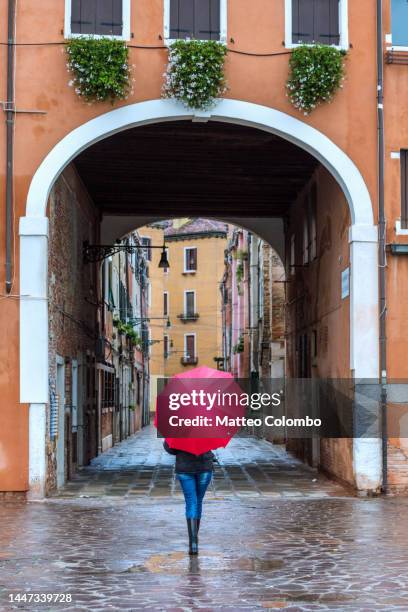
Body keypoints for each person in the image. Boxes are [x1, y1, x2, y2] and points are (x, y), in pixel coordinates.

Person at [163, 440, 215, 555]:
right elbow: (214, 444)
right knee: (198, 501)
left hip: (184, 468)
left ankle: (193, 543)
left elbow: (169, 448)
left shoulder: (178, 426)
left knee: (191, 502)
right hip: (204, 466)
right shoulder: (206, 424)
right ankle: (195, 539)